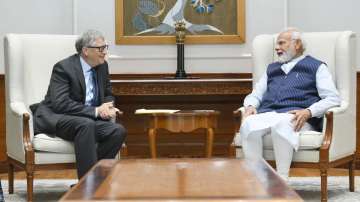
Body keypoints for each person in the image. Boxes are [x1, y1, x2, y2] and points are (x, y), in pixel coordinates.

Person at [239, 28, 341, 180]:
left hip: (298, 118)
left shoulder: (316, 67)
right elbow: (256, 94)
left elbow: (333, 98)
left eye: (281, 43)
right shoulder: (271, 69)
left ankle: (282, 180)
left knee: (283, 123)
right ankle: (257, 179)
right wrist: (251, 106)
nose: (276, 48)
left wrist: (308, 112)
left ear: (297, 44)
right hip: (270, 113)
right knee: (248, 124)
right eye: (276, 44)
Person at [32, 30, 126, 179]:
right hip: (58, 116)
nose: (105, 52)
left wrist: (109, 106)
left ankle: (95, 179)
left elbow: (108, 92)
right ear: (86, 50)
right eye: (101, 48)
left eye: (105, 47)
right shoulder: (63, 68)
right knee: (86, 125)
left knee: (117, 131)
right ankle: (87, 186)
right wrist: (95, 111)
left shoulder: (103, 66)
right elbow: (60, 103)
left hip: (84, 119)